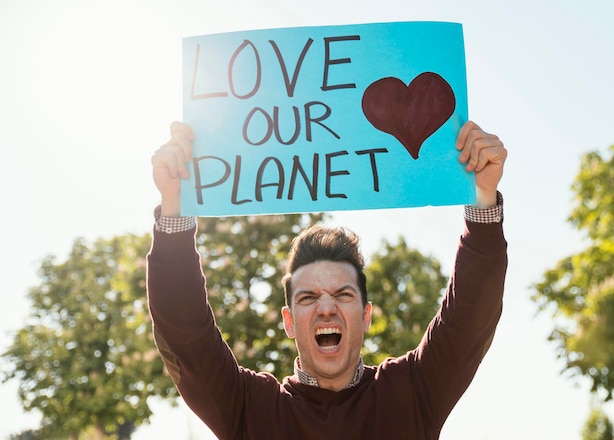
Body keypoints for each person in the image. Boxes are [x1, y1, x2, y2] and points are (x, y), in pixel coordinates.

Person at [147, 120, 508, 439]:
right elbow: (186, 335)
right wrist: (176, 205)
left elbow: (468, 320)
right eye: (307, 298)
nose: (325, 308)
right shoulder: (248, 408)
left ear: (366, 315)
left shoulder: (411, 392)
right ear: (288, 321)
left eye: (342, 294)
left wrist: (482, 200)